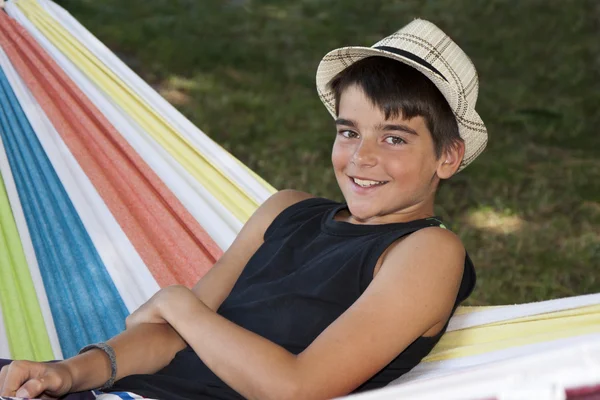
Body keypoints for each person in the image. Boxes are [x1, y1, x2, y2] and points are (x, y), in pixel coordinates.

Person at [0, 18, 487, 400]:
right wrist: (66, 372)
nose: (362, 157)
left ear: (448, 156)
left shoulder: (426, 252)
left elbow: (295, 388)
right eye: (349, 131)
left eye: (395, 137)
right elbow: (169, 338)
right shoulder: (285, 211)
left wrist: (181, 304)